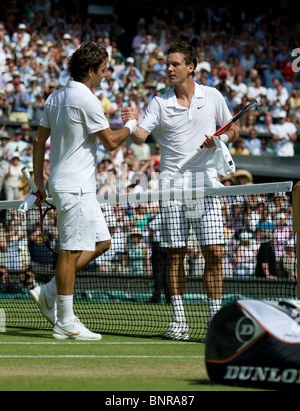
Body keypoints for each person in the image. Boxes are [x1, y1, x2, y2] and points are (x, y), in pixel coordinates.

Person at [121, 39, 239, 340]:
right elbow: (139, 138)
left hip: (206, 183)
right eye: (167, 64)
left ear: (190, 67)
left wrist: (222, 140)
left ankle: (214, 320)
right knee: (175, 254)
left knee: (213, 251)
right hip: (172, 184)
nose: (169, 69)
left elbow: (234, 129)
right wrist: (132, 122)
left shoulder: (212, 96)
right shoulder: (159, 103)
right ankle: (179, 321)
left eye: (175, 64)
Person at [29, 41, 137, 341]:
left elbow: (38, 143)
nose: (105, 75)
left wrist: (39, 181)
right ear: (90, 70)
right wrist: (131, 124)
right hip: (74, 186)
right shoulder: (88, 100)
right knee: (70, 251)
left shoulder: (55, 97)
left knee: (102, 242)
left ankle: (50, 291)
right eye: (103, 70)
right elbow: (112, 142)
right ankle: (65, 320)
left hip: (77, 186)